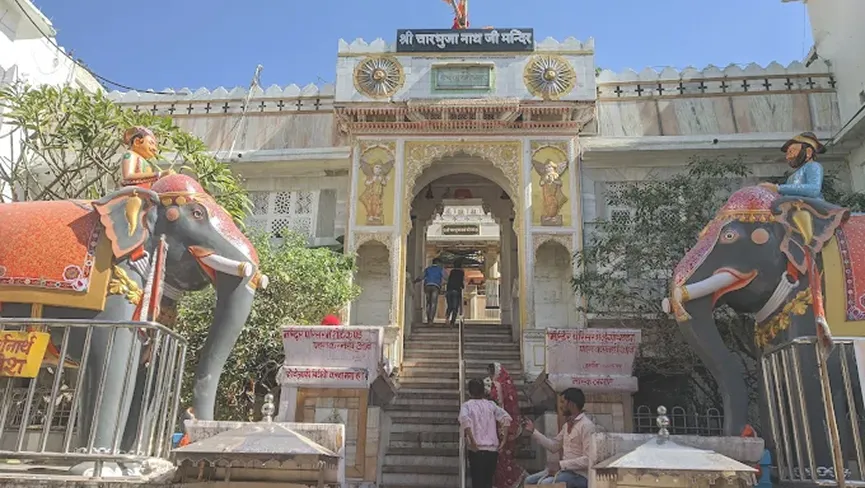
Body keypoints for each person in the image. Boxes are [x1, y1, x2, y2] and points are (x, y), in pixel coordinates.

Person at [524, 388, 594, 488]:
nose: (560, 406)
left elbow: (588, 459)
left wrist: (561, 464)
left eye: (563, 402)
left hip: (579, 475)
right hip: (564, 471)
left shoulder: (586, 426)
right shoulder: (567, 426)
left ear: (571, 404)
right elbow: (554, 446)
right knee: (529, 481)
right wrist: (533, 431)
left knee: (546, 484)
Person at [459, 378, 510, 488]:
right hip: (492, 451)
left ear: (469, 392)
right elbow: (506, 418)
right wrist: (504, 440)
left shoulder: (467, 406)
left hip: (476, 449)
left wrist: (472, 441)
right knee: (488, 483)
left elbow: (465, 421)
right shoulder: (491, 405)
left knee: (477, 483)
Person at [487, 363, 527, 488]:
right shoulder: (506, 386)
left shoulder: (497, 386)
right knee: (503, 457)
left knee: (502, 456)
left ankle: (506, 481)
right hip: (505, 425)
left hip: (500, 425)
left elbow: (496, 403)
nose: (489, 374)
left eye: (490, 372)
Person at [414, 259, 445, 325]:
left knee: (428, 303)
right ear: (438, 263)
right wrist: (443, 283)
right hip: (436, 286)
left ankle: (428, 318)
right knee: (433, 303)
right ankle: (431, 320)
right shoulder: (440, 269)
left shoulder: (428, 269)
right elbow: (446, 277)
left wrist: (415, 281)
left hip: (427, 285)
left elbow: (421, 277)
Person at [445, 259, 467, 327]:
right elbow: (461, 281)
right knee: (455, 307)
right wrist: (463, 286)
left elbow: (449, 280)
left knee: (449, 306)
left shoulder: (452, 271)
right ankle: (452, 322)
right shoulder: (461, 272)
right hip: (456, 291)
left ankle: (447, 318)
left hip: (449, 290)